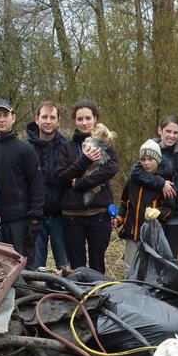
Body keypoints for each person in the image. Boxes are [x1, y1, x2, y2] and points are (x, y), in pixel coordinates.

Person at [55, 100, 120, 274]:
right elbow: (61, 178)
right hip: (72, 215)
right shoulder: (66, 148)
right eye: (80, 119)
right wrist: (84, 160)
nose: (84, 123)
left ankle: (99, 297)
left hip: (98, 213)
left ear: (95, 119)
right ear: (74, 121)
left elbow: (112, 168)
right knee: (77, 267)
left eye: (88, 118)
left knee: (97, 263)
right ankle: (79, 298)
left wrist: (81, 182)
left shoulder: (105, 144)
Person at [0, 98, 42, 259]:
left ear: (13, 118)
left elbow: (36, 186)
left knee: (23, 272)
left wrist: (34, 219)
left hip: (20, 222)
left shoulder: (26, 150)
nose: (2, 119)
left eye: (5, 115)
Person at [116, 139, 176, 267]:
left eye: (150, 159)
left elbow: (170, 211)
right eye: (143, 159)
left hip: (152, 237)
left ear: (158, 160)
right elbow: (124, 203)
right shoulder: (133, 180)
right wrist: (119, 219)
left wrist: (158, 212)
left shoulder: (166, 183)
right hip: (132, 234)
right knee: (130, 270)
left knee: (150, 271)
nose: (146, 163)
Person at [26, 101, 70, 269]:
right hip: (35, 216)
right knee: (36, 267)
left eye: (52, 117)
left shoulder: (67, 147)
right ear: (37, 119)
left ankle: (64, 295)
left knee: (65, 266)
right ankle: (37, 295)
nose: (48, 121)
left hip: (61, 215)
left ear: (59, 121)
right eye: (44, 117)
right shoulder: (26, 148)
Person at [153, 115, 178, 259]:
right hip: (169, 214)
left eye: (175, 132)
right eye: (168, 131)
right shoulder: (151, 152)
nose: (171, 136)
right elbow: (140, 175)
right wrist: (161, 182)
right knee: (170, 257)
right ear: (160, 130)